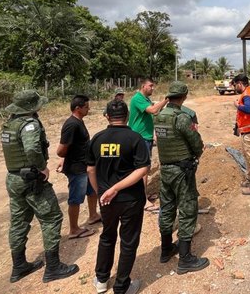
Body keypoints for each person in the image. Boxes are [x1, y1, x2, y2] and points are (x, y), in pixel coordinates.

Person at [0, 90, 79, 283]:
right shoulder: (30, 124)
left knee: (19, 221)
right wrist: (42, 167)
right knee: (52, 218)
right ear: (31, 107)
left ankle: (19, 266)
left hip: (14, 179)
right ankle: (53, 267)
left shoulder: (9, 124)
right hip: (31, 179)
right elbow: (32, 148)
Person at [87, 99, 150, 294]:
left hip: (107, 200)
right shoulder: (135, 138)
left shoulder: (97, 139)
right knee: (128, 241)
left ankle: (101, 280)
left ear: (107, 116)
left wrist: (101, 192)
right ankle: (122, 287)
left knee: (107, 236)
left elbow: (90, 169)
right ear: (128, 116)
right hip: (131, 198)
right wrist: (117, 188)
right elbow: (143, 169)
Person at [154, 81, 209, 274]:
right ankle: (185, 259)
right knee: (187, 209)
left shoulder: (159, 116)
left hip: (165, 169)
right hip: (181, 171)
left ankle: (166, 249)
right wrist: (198, 152)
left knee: (167, 208)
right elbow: (195, 141)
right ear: (184, 96)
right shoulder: (182, 117)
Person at [56, 94, 100, 239]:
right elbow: (61, 150)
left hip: (84, 165)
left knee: (92, 191)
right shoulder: (72, 124)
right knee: (76, 198)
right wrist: (65, 159)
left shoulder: (79, 121)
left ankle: (93, 215)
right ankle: (74, 229)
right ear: (77, 108)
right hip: (76, 168)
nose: (89, 109)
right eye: (86, 107)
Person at [128, 78, 167, 211]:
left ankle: (143, 194)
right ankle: (142, 199)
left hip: (146, 137)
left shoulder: (146, 99)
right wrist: (166, 100)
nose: (152, 88)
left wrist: (154, 134)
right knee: (142, 169)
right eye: (150, 86)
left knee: (145, 167)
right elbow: (152, 110)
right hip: (139, 137)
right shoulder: (138, 98)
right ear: (143, 86)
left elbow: (154, 113)